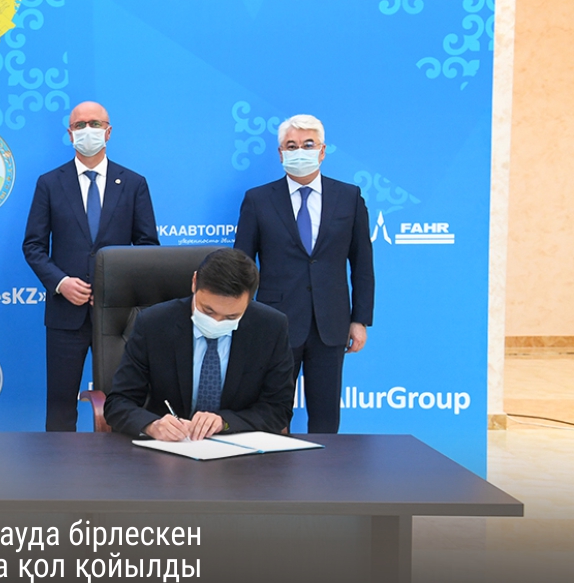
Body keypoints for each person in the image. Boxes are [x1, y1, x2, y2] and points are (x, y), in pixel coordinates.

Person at [22, 101, 159, 431]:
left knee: (121, 401)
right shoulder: (50, 183)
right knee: (60, 406)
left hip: (117, 316)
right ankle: (58, 463)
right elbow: (33, 246)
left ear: (108, 132)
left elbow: (147, 247)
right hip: (65, 314)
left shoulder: (133, 183)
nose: (87, 131)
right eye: (79, 125)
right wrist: (61, 283)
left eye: (95, 124)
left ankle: (120, 463)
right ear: (69, 133)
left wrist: (115, 288)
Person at [233, 114, 374, 433]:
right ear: (280, 153)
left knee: (326, 417)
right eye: (291, 145)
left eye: (308, 145)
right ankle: (272, 465)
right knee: (270, 413)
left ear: (322, 151)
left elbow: (362, 264)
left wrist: (360, 319)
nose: (300, 151)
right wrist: (240, 316)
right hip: (274, 322)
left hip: (331, 323)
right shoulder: (258, 199)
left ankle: (326, 467)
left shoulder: (349, 197)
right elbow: (241, 264)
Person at [104, 248, 294, 439]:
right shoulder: (153, 324)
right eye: (208, 311)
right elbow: (119, 403)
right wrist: (152, 425)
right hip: (168, 447)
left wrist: (225, 422)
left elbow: (278, 410)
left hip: (237, 447)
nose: (216, 322)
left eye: (231, 316)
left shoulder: (271, 327)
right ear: (194, 282)